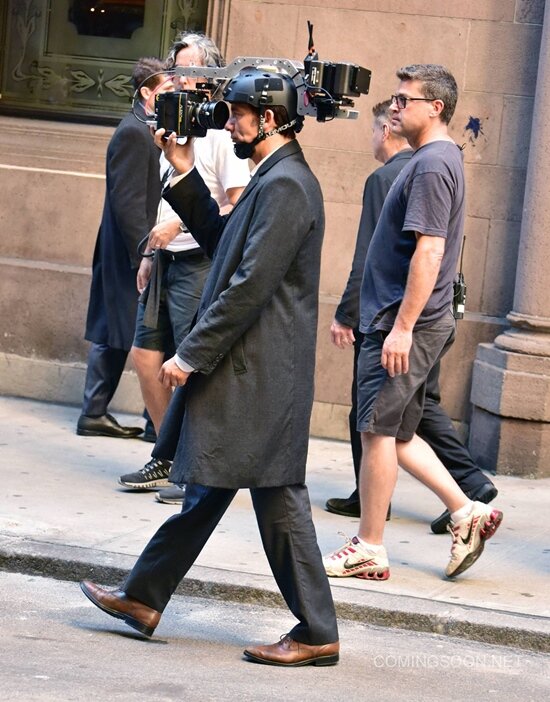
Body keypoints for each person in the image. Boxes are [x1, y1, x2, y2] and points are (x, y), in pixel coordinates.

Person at [80, 67, 340, 666]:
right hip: (252, 370)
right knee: (207, 486)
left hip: (261, 373)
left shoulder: (287, 185)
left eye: (238, 116)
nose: (228, 125)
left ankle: (317, 630)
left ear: (268, 119)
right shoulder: (273, 176)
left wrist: (191, 353)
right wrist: (183, 170)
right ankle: (143, 597)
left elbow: (250, 285)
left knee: (276, 497)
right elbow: (226, 246)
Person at [323, 64, 503, 581]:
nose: (395, 107)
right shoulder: (432, 158)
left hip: (403, 323)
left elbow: (429, 251)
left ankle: (369, 546)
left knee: (375, 431)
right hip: (405, 320)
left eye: (405, 100)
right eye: (396, 99)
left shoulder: (430, 165)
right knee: (398, 433)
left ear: (435, 108)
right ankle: (466, 511)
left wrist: (402, 328)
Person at [117, 33, 250, 499]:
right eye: (176, 71)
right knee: (145, 354)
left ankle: (193, 468)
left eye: (190, 71)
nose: (179, 79)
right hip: (165, 262)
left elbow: (237, 205)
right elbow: (164, 200)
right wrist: (150, 255)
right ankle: (168, 456)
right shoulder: (173, 130)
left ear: (211, 79)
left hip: (199, 260)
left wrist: (181, 225)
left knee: (189, 365)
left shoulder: (220, 134)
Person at [77, 58, 171, 439]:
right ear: (147, 92)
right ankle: (97, 413)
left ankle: (144, 418)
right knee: (117, 330)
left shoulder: (148, 128)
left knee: (125, 330)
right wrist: (144, 253)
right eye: (166, 90)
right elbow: (129, 202)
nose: (173, 96)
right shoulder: (133, 132)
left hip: (134, 250)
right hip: (128, 252)